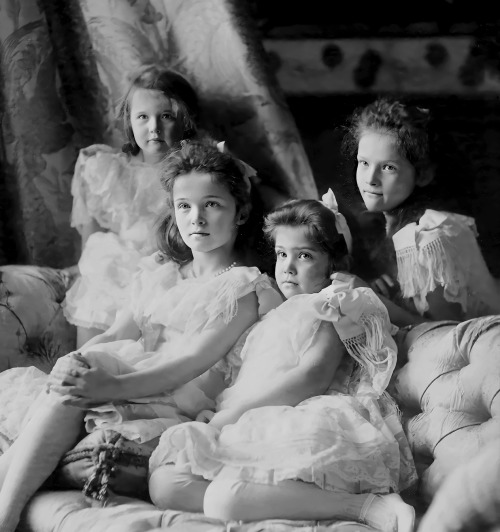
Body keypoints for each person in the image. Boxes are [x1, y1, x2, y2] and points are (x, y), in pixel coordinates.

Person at [0, 141, 282, 532]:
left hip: (178, 395)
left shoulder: (244, 288)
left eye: (212, 204)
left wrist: (111, 386)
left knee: (93, 367)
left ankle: (6, 515)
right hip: (133, 376)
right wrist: (74, 360)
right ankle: (5, 509)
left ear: (241, 212)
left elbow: (188, 365)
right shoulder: (160, 271)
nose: (196, 218)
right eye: (184, 206)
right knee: (80, 365)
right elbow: (118, 332)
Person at [147, 197, 417, 532]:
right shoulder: (269, 317)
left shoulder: (330, 305)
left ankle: (365, 507)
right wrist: (219, 411)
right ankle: (272, 501)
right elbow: (247, 378)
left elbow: (312, 376)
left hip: (301, 414)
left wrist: (233, 414)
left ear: (332, 263)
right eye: (281, 254)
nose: (288, 266)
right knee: (165, 483)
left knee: (224, 499)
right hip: (250, 419)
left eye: (304, 255)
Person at [63, 63, 205, 347]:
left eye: (165, 116)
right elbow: (89, 241)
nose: (153, 128)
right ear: (129, 120)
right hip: (112, 274)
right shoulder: (104, 168)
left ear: (185, 119)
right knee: (92, 351)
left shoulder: (198, 173)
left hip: (170, 274)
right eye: (142, 117)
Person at [343, 97, 500, 322]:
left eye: (388, 167)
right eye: (364, 163)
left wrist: (372, 300)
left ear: (424, 174)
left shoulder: (430, 238)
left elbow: (446, 336)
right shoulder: (376, 227)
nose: (370, 179)